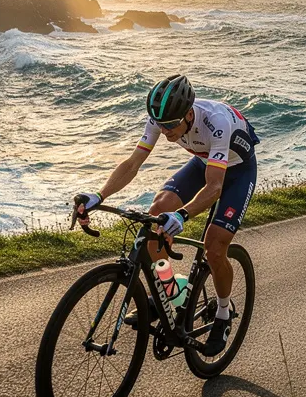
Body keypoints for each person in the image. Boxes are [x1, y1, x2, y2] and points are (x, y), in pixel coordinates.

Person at [73, 75, 258, 357]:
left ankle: (223, 312)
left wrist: (182, 215)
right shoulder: (161, 119)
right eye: (160, 124)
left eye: (171, 125)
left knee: (215, 247)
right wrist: (99, 196)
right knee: (157, 212)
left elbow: (215, 186)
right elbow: (133, 163)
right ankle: (171, 290)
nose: (166, 130)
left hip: (237, 171)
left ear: (188, 113)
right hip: (204, 161)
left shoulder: (216, 122)